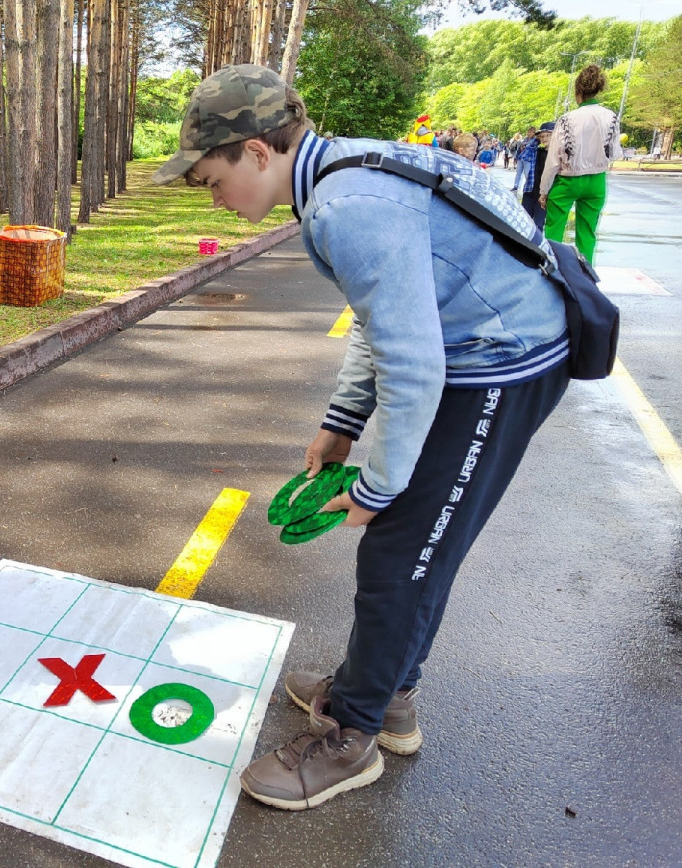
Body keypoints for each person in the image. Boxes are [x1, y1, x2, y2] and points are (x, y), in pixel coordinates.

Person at [153, 64, 570, 811]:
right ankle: (383, 692)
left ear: (255, 151)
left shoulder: (347, 206)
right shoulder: (340, 177)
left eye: (212, 180)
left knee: (404, 551)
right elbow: (385, 323)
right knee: (412, 548)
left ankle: (352, 734)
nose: (212, 196)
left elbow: (414, 362)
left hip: (500, 363)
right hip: (478, 355)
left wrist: (377, 486)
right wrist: (342, 423)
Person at [540, 65, 624, 264]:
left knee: (554, 229)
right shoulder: (610, 117)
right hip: (596, 180)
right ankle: (586, 274)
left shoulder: (567, 119)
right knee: (587, 232)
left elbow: (553, 159)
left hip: (567, 179)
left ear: (578, 92)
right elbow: (615, 153)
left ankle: (553, 268)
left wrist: (544, 190)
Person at [518, 122, 555, 227]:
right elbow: (523, 156)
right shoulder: (537, 151)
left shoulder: (558, 154)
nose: (544, 138)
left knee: (538, 224)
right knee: (523, 223)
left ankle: (535, 244)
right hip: (530, 191)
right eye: (542, 136)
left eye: (548, 135)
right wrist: (536, 140)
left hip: (544, 195)